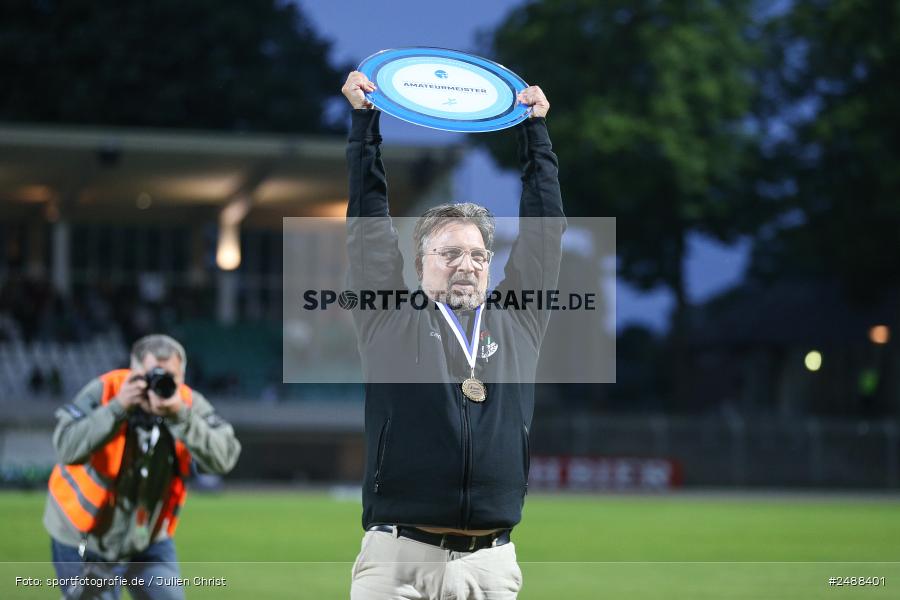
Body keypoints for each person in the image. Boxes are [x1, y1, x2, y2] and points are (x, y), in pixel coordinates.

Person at [342, 71, 565, 599]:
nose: (466, 265)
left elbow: (544, 235)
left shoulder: (520, 321)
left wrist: (535, 134)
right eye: (449, 253)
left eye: (478, 255)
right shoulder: (388, 319)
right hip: (397, 565)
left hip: (491, 569)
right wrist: (364, 125)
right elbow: (369, 230)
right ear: (420, 264)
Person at [43, 334, 241, 599]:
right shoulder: (107, 391)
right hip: (85, 538)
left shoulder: (185, 403)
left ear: (181, 378)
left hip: (146, 539)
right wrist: (117, 408)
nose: (158, 385)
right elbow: (66, 446)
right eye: (150, 377)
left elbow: (224, 456)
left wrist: (179, 416)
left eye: (169, 378)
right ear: (132, 373)